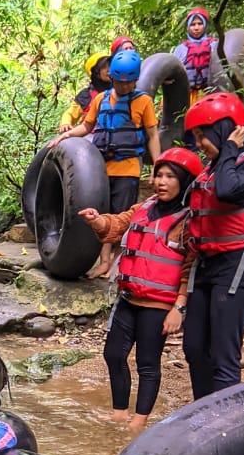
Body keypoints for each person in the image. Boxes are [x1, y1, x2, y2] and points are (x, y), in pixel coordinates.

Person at [78, 148, 201, 432]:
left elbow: (190, 267)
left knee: (147, 363)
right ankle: (120, 414)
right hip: (129, 297)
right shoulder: (144, 208)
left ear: (185, 182)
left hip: (159, 305)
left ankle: (139, 421)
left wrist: (179, 307)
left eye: (170, 176)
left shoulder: (188, 221)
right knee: (113, 354)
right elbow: (117, 225)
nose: (161, 182)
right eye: (159, 175)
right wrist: (97, 220)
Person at [182, 93, 244, 398]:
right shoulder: (215, 166)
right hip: (208, 263)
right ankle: (202, 414)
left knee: (223, 353)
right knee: (195, 348)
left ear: (225, 130)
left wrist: (229, 148)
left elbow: (228, 190)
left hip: (242, 263)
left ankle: (223, 421)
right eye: (196, 136)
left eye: (203, 135)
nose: (199, 143)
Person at [50, 48, 161, 279]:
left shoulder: (144, 102)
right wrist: (66, 135)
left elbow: (152, 135)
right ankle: (103, 262)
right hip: (102, 168)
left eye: (129, 82)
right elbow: (87, 127)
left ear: (136, 80)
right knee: (102, 214)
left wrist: (157, 167)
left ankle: (117, 262)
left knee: (121, 215)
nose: (125, 87)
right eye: (120, 82)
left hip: (128, 167)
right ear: (112, 78)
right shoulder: (101, 99)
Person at [173, 8, 218, 105]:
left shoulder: (214, 45)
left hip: (211, 93)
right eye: (193, 24)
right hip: (188, 95)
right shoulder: (181, 49)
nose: (196, 28)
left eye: (200, 24)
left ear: (205, 25)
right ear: (188, 27)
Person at [57, 54, 111, 133]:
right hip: (90, 135)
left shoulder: (120, 89)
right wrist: (65, 123)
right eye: (104, 67)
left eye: (110, 65)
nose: (109, 69)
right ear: (95, 72)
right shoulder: (86, 95)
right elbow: (70, 113)